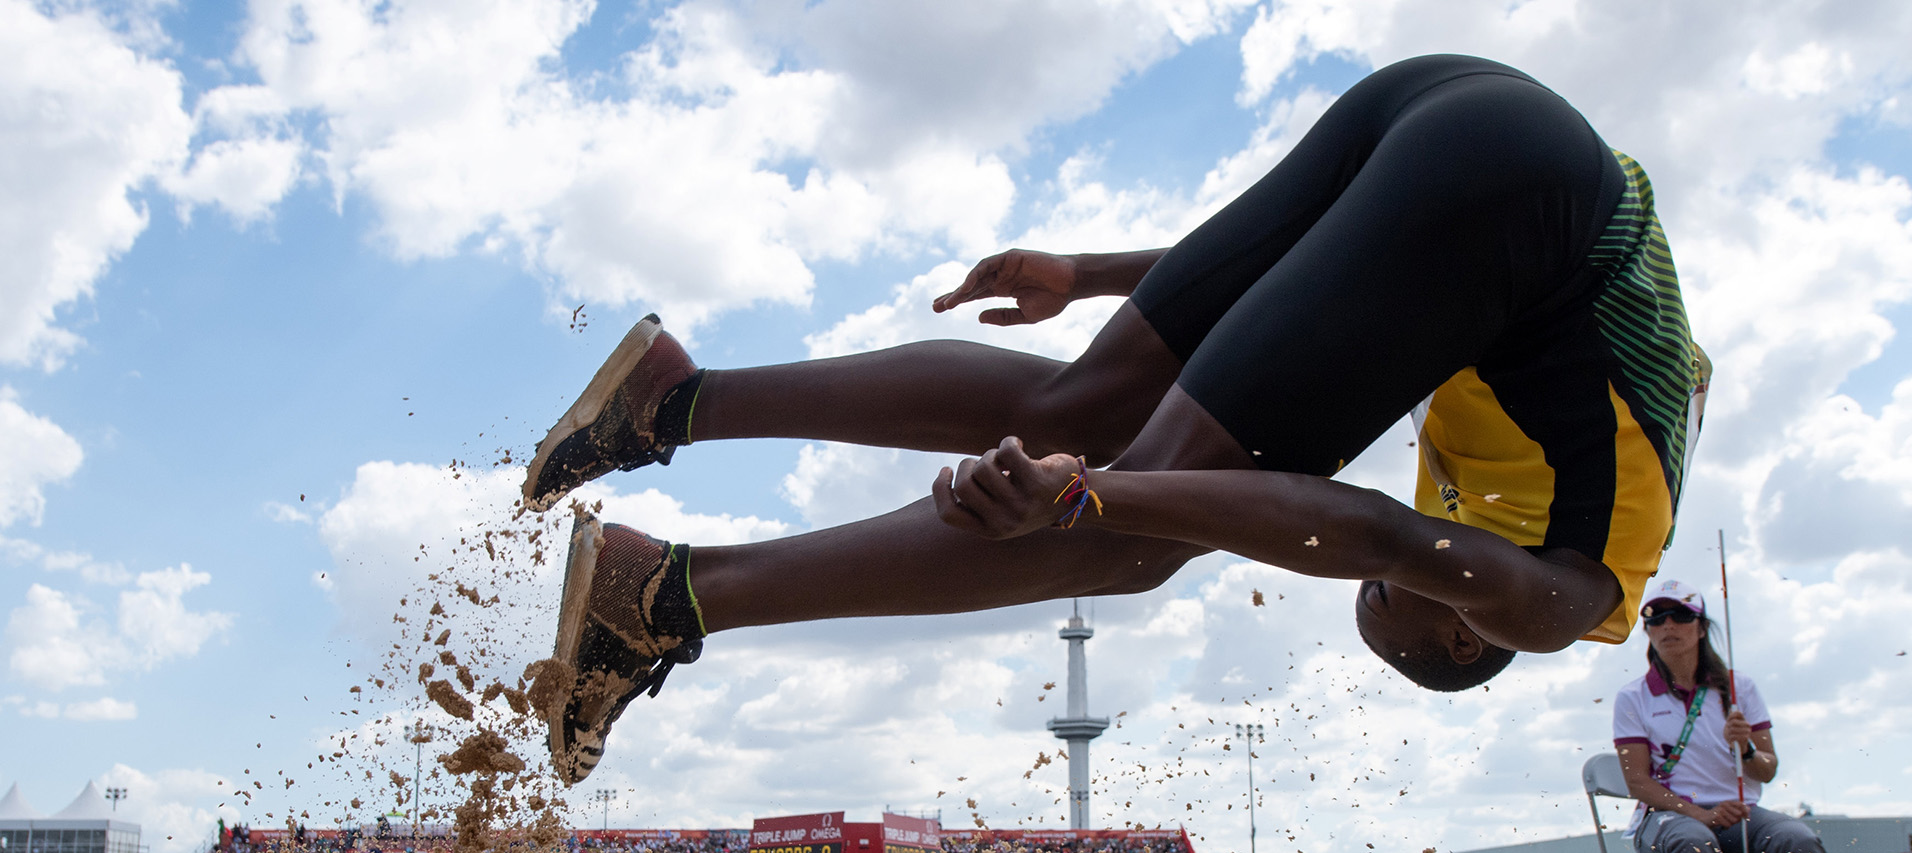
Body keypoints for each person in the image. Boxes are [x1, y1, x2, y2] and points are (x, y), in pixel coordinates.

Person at [520, 54, 1712, 785]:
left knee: (1072, 404)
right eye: (1385, 615)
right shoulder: (1563, 601)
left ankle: (671, 399)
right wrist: (1097, 494)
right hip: (1525, 196)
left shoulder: (1530, 464)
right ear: (1465, 635)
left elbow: (1356, 262)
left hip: (1457, 108)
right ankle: (666, 596)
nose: (1382, 582)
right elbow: (1372, 535)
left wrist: (1095, 275)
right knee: (1134, 540)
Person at [1611, 579, 1849, 853]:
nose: (1669, 625)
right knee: (1693, 840)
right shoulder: (1633, 697)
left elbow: (1768, 769)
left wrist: (1746, 746)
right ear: (1646, 631)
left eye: (1681, 616)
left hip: (1741, 818)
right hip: (1668, 821)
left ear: (1700, 628)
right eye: (1656, 618)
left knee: (1801, 841)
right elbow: (1638, 783)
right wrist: (1700, 814)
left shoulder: (1740, 689)